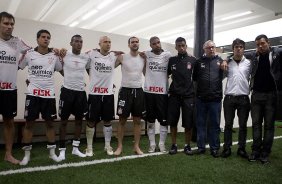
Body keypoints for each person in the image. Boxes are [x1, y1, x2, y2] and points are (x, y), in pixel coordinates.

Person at [19, 29, 63, 165]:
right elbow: (18, 66)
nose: (46, 39)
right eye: (43, 37)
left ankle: (51, 153)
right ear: (37, 39)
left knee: (50, 124)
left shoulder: (54, 55)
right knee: (29, 124)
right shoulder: (28, 54)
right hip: (32, 95)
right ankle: (26, 155)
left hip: (48, 95)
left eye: (48, 37)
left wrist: (63, 55)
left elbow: (64, 71)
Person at [0, 11, 31, 164]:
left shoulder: (18, 41)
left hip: (10, 90)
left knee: (9, 122)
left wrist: (55, 51)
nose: (9, 26)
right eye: (6, 23)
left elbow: (34, 54)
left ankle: (8, 154)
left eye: (12, 24)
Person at [245, 34, 282, 164]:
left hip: (271, 95)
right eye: (258, 45)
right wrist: (226, 59)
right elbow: (237, 53)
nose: (260, 46)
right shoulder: (254, 56)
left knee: (269, 126)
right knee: (256, 125)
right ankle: (255, 151)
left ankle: (265, 152)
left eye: (262, 43)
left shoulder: (276, 52)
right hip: (256, 95)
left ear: (268, 43)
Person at [57, 35, 89, 160]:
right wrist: (67, 76)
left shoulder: (85, 57)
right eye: (76, 41)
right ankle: (62, 150)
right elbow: (58, 67)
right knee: (63, 121)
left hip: (80, 93)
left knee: (79, 121)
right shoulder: (64, 54)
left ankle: (75, 148)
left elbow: (91, 70)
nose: (78, 43)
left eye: (81, 41)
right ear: (71, 43)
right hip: (67, 92)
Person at [85, 36, 118, 156]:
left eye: (110, 42)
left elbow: (124, 56)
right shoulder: (91, 54)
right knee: (91, 121)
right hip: (95, 94)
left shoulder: (113, 56)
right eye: (105, 42)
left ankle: (107, 145)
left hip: (108, 94)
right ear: (99, 44)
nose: (108, 44)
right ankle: (89, 147)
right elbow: (85, 65)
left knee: (108, 121)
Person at [114, 36, 146, 156]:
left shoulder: (143, 58)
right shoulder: (122, 57)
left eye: (137, 42)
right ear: (129, 45)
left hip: (138, 91)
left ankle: (136, 146)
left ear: (139, 44)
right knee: (122, 120)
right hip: (125, 91)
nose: (135, 43)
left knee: (137, 120)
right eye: (132, 42)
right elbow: (108, 66)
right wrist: (113, 54)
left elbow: (147, 74)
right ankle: (119, 146)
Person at [220, 38, 251, 158]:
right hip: (229, 98)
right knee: (228, 125)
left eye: (240, 47)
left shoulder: (249, 63)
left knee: (243, 125)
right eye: (236, 47)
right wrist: (224, 59)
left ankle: (241, 149)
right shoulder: (227, 63)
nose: (238, 49)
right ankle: (227, 149)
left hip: (243, 98)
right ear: (233, 49)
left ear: (243, 49)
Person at [193, 40, 224, 158]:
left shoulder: (220, 61)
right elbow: (195, 78)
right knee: (200, 124)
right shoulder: (198, 62)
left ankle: (214, 148)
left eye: (213, 47)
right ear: (204, 49)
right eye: (209, 47)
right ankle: (201, 148)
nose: (211, 49)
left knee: (215, 125)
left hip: (215, 99)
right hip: (201, 99)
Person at [167, 37, 196, 155]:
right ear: (175, 47)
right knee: (173, 122)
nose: (181, 47)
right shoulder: (172, 60)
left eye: (183, 45)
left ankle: (187, 145)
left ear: (186, 46)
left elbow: (198, 76)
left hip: (188, 96)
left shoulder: (193, 60)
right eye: (179, 46)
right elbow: (165, 74)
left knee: (188, 123)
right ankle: (173, 145)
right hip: (174, 95)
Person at [144, 36, 171, 153]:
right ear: (151, 45)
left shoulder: (168, 55)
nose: (157, 45)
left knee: (164, 120)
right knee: (150, 120)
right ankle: (152, 144)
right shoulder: (146, 54)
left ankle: (162, 144)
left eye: (158, 42)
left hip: (162, 93)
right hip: (149, 93)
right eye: (154, 43)